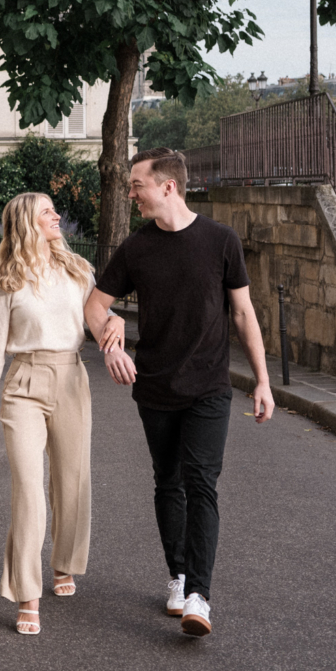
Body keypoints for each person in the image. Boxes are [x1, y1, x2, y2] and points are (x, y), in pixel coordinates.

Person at [84, 146, 274, 638]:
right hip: (154, 386)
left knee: (201, 482)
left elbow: (243, 314)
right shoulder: (137, 248)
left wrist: (263, 380)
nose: (130, 195)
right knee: (168, 481)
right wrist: (111, 342)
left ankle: (199, 596)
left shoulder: (220, 241)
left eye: (136, 185)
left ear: (167, 186)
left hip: (210, 386)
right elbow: (94, 306)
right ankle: (178, 575)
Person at [0, 191, 95, 637]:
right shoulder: (5, 280)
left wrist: (115, 327)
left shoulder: (77, 270)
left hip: (70, 378)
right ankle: (28, 592)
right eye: (48, 211)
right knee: (28, 487)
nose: (57, 215)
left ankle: (64, 562)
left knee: (72, 479)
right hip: (23, 384)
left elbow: (97, 317)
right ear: (28, 221)